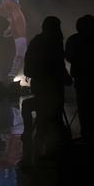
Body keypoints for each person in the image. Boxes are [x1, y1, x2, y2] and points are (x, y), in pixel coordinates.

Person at [23, 16, 72, 161]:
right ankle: (49, 151)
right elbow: (59, 66)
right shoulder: (55, 43)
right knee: (52, 118)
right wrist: (66, 79)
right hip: (54, 89)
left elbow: (29, 67)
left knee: (40, 113)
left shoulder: (37, 42)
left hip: (40, 87)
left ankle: (32, 138)